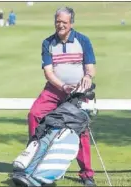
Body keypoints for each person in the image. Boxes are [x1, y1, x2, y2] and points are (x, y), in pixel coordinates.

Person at [27, 7, 96, 186]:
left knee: (81, 130)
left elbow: (90, 68)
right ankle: (32, 163)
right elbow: (49, 72)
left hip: (78, 93)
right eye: (58, 21)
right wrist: (63, 86)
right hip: (54, 90)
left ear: (71, 23)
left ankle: (87, 174)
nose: (61, 25)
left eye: (64, 22)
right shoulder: (48, 43)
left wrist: (87, 77)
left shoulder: (83, 40)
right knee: (35, 114)